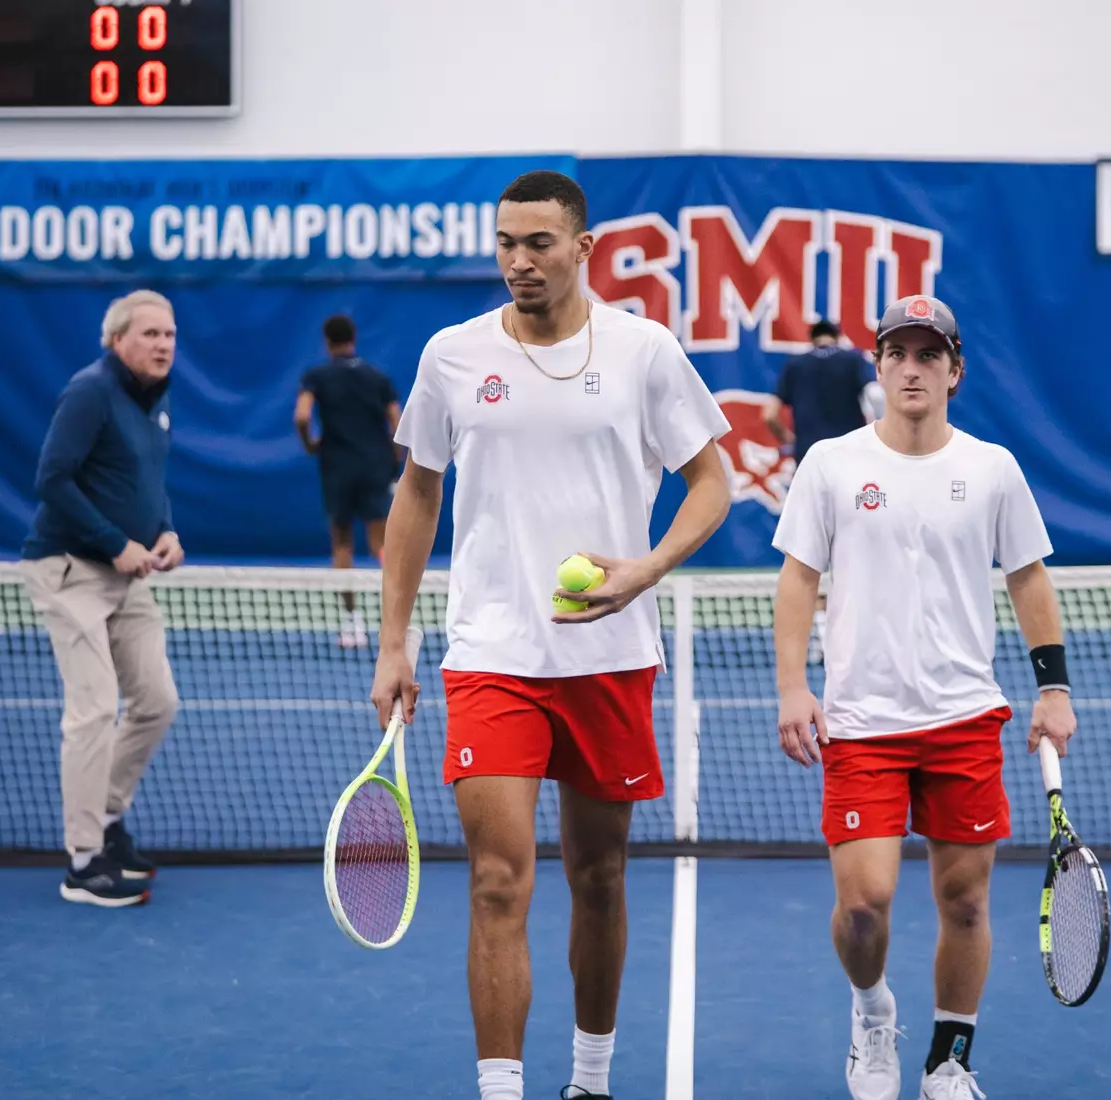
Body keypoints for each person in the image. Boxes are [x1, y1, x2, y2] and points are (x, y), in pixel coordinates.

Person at [369, 169, 732, 1100]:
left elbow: (711, 484)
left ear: (584, 249)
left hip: (610, 658)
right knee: (497, 881)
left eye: (538, 243)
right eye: (505, 243)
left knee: (600, 877)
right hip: (493, 654)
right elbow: (417, 493)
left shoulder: (645, 351)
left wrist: (645, 569)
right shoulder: (451, 355)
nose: (518, 260)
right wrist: (394, 641)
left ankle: (592, 1081)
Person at [770, 295, 1079, 1100]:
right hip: (862, 724)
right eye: (897, 353)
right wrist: (794, 686)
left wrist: (1053, 688)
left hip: (964, 719)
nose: (912, 367)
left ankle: (948, 1060)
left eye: (928, 354)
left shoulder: (991, 469)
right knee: (865, 906)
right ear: (877, 365)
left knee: (965, 902)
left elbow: (1028, 577)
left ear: (954, 370)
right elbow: (798, 579)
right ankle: (872, 1012)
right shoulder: (832, 465)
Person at [20, 289, 185, 908]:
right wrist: (114, 541)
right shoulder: (90, 390)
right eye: (150, 334)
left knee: (157, 701)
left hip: (128, 573)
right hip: (69, 569)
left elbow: (147, 480)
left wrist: (164, 530)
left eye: (169, 335)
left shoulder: (154, 399)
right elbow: (52, 478)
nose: (163, 344)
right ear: (117, 340)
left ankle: (107, 818)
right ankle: (83, 864)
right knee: (92, 710)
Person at [765, 319, 881, 663]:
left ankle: (820, 639)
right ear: (838, 336)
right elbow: (875, 396)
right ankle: (851, 639)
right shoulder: (854, 359)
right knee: (855, 552)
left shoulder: (796, 364)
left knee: (807, 559)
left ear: (811, 338)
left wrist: (789, 440)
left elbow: (769, 413)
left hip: (809, 469)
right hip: (855, 468)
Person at [294, 314, 403, 647]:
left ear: (327, 341)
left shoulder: (317, 376)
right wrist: (393, 462)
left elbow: (301, 416)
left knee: (342, 544)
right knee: (382, 546)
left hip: (337, 468)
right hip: (374, 468)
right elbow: (397, 425)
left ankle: (352, 624)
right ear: (353, 338)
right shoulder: (377, 377)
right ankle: (394, 621)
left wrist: (311, 443)